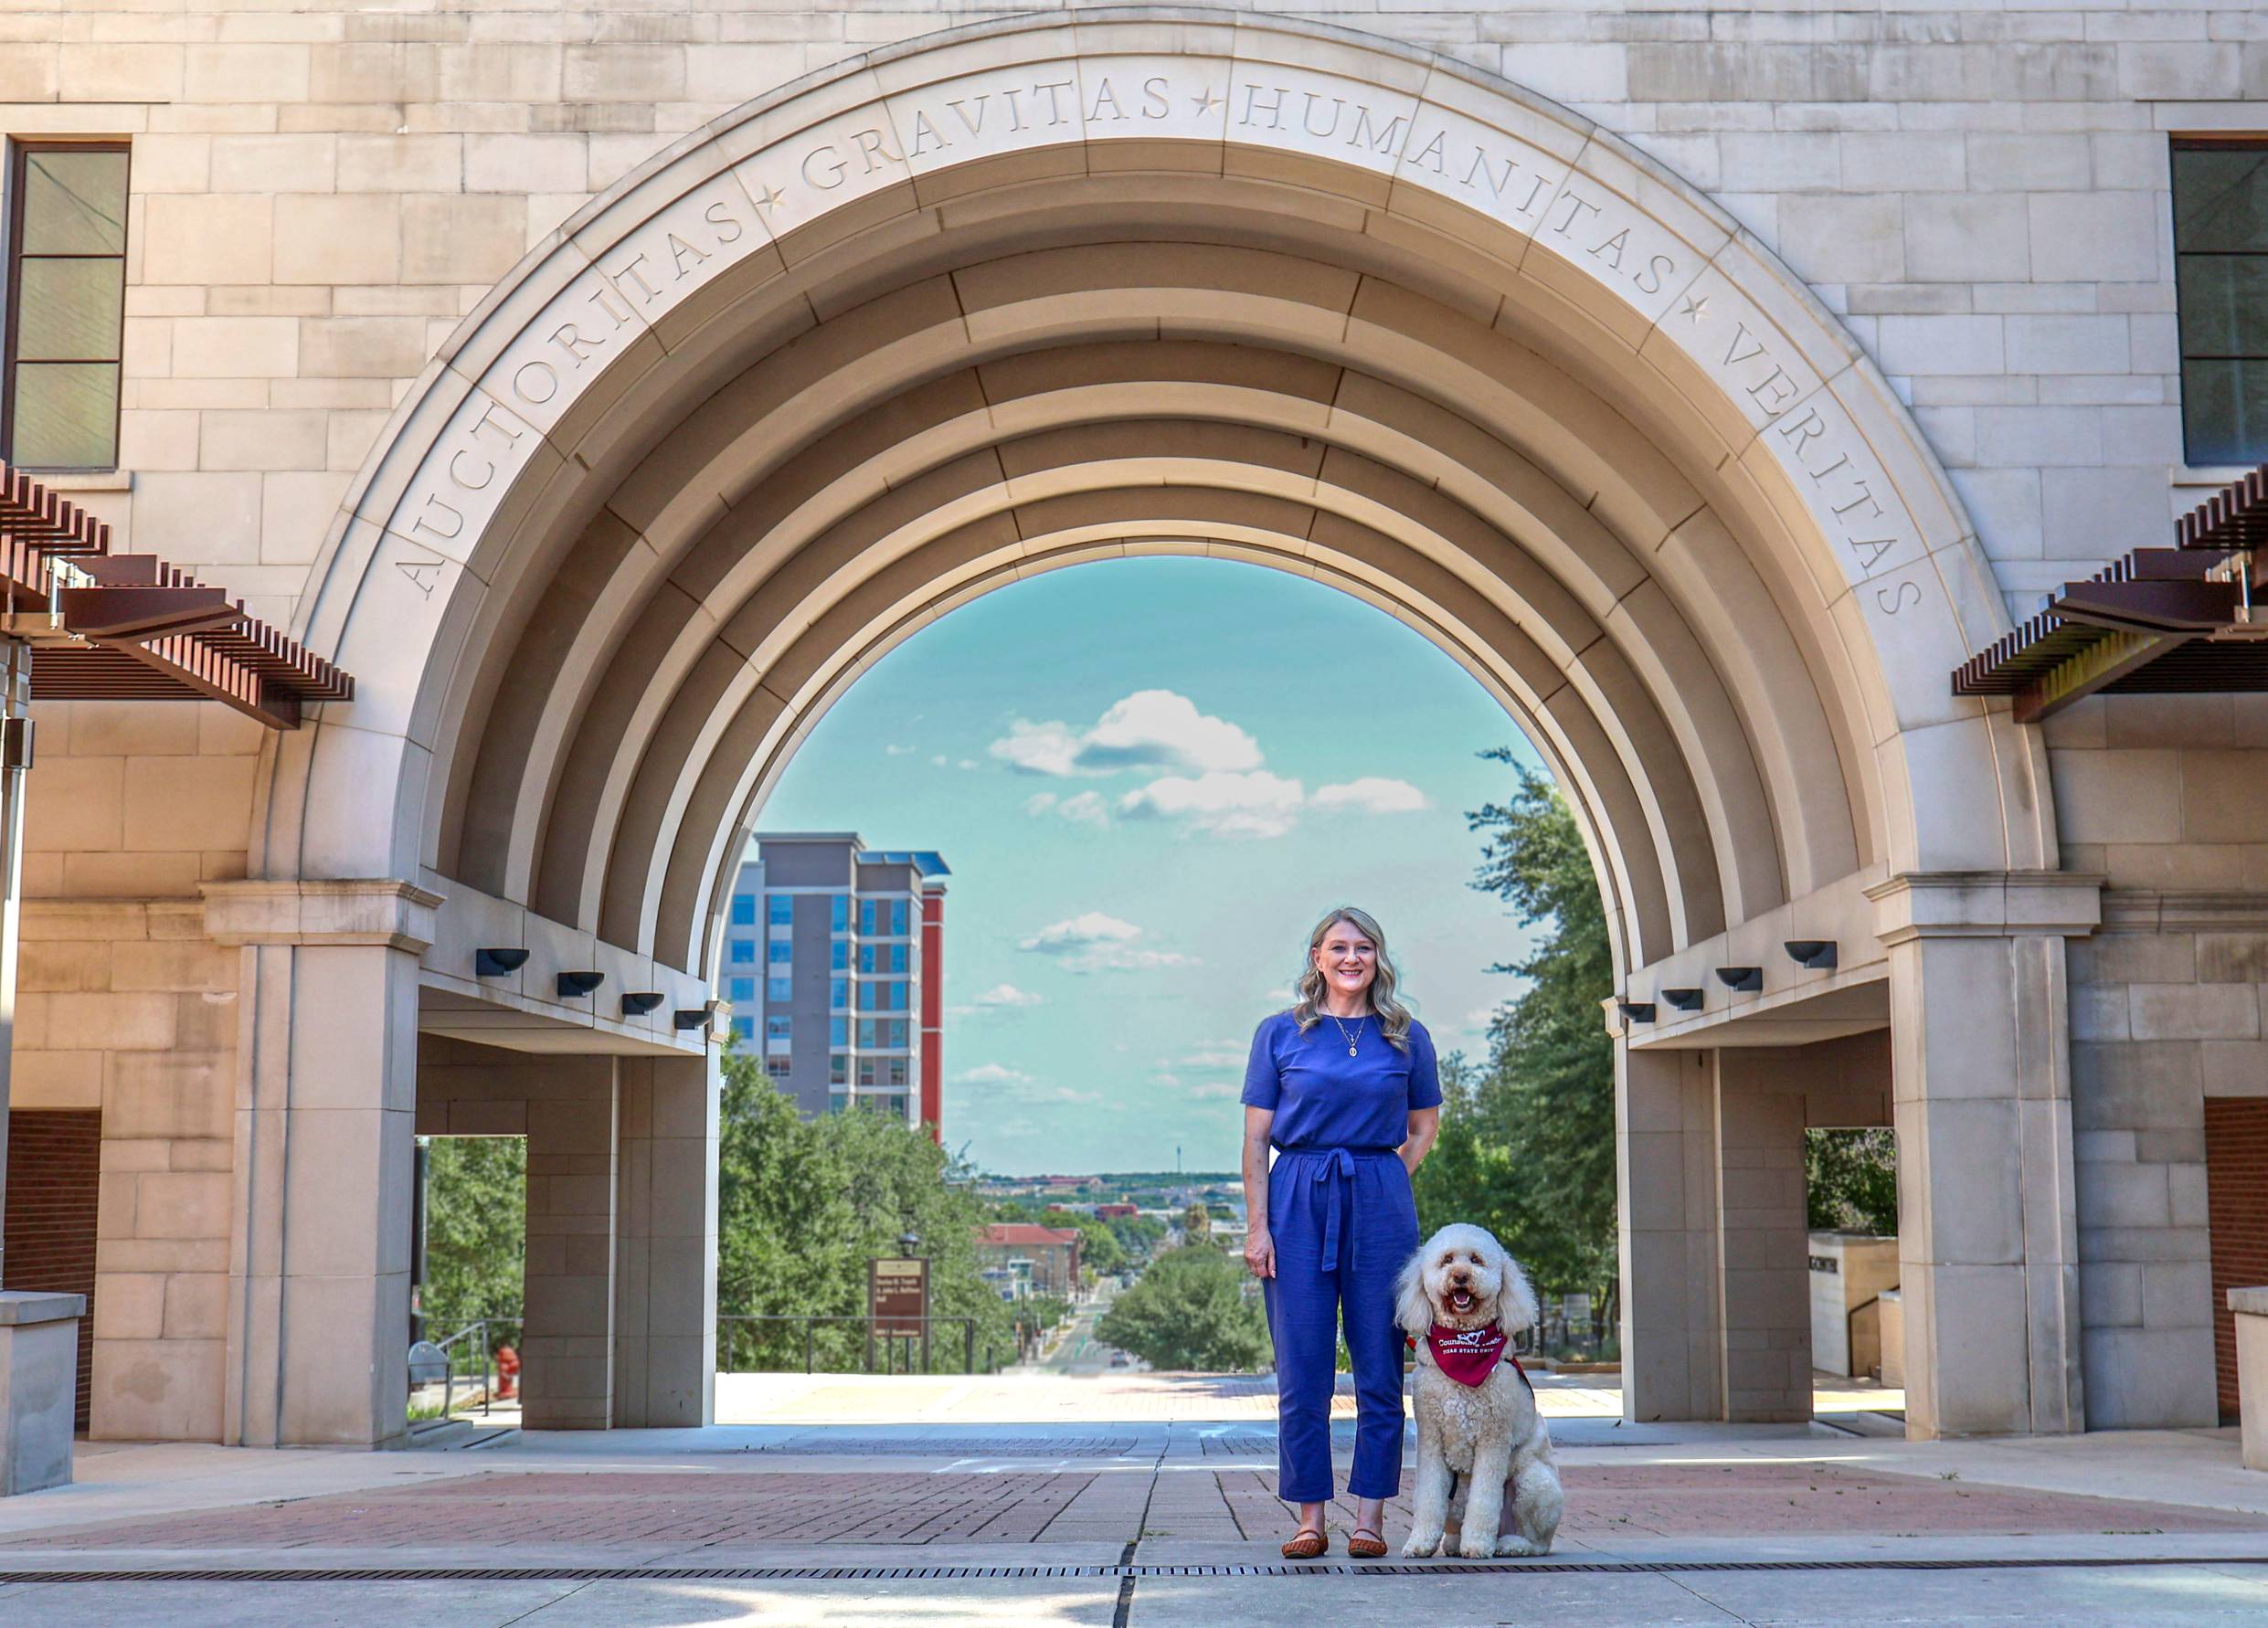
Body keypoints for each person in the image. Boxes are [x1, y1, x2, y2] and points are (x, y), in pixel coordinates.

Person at [1240, 905, 1440, 1559]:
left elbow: (1423, 1129)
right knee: (1303, 1371)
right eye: (1338, 947)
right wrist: (1258, 1228)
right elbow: (1255, 1140)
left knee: (1380, 1368)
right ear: (1317, 958)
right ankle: (1308, 1517)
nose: (1351, 958)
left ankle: (1370, 1518)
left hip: (1379, 1201)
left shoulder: (1407, 1036)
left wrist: (1382, 1176)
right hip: (1297, 1196)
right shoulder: (1279, 1034)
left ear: (1378, 957)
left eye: (1363, 947)